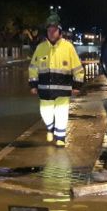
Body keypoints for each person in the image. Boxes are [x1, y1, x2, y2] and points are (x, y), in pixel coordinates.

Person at [28, 14, 84, 147]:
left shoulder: (68, 47)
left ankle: (60, 138)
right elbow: (33, 67)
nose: (51, 33)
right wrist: (33, 85)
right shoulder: (40, 48)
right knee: (45, 113)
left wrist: (77, 85)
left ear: (59, 31)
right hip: (44, 90)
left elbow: (77, 68)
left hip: (63, 89)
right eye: (49, 30)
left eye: (54, 30)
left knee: (61, 113)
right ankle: (51, 128)